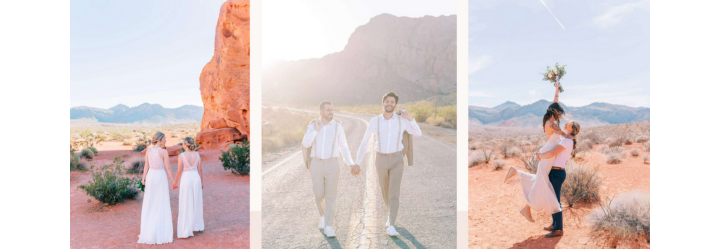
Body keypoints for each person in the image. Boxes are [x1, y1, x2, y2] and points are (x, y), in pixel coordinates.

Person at [355, 92, 422, 237]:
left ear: (395, 105)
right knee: (385, 191)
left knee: (394, 191)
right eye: (387, 101)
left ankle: (391, 224)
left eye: (392, 102)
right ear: (383, 103)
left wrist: (409, 117)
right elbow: (365, 141)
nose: (390, 104)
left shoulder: (401, 121)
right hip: (380, 159)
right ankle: (390, 214)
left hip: (397, 159)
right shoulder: (375, 121)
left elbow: (418, 133)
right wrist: (357, 162)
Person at [301, 101, 359, 238]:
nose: (331, 112)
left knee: (331, 196)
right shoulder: (312, 125)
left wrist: (350, 164)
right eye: (328, 110)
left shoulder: (338, 127)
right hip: (316, 164)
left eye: (332, 110)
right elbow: (306, 143)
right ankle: (322, 215)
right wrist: (315, 130)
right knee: (319, 194)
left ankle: (328, 225)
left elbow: (344, 147)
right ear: (321, 112)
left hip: (333, 164)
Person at [138, 132, 175, 245]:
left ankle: (149, 231)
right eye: (164, 139)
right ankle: (159, 231)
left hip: (151, 176)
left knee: (151, 201)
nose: (165, 141)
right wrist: (173, 180)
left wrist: (143, 178)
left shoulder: (149, 150)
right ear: (159, 140)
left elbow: (146, 166)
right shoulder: (163, 152)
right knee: (160, 202)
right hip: (159, 176)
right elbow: (168, 167)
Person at [173, 137, 205, 239]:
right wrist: (201, 182)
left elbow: (179, 171)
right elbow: (200, 169)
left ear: (186, 144)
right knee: (196, 202)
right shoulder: (197, 154)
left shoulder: (181, 155)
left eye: (183, 143)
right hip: (196, 178)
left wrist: (175, 182)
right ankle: (197, 226)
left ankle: (185, 230)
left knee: (186, 202)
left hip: (186, 179)